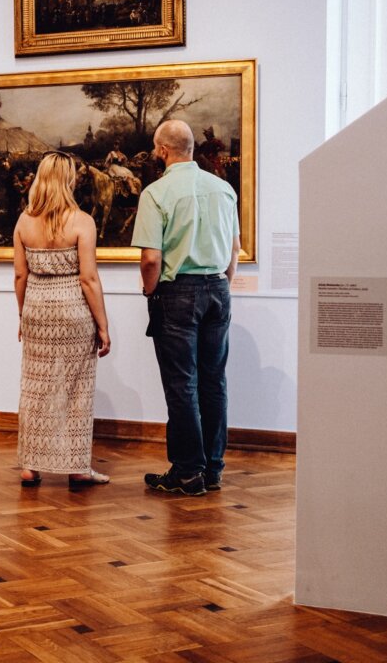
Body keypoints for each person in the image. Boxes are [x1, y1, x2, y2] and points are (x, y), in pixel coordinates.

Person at [132, 120, 241, 497]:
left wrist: (151, 293)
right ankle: (212, 469)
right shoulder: (223, 189)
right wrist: (222, 282)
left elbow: (150, 259)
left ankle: (187, 472)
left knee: (182, 384)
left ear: (162, 151)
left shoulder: (157, 193)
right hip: (218, 288)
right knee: (214, 382)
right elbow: (233, 250)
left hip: (178, 291)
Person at [13, 151, 111, 489]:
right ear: (67, 180)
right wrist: (103, 325)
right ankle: (77, 469)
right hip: (73, 310)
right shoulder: (82, 221)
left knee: (36, 387)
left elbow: (19, 276)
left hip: (37, 309)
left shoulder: (25, 221)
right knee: (75, 390)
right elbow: (89, 280)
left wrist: (23, 315)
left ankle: (30, 467)